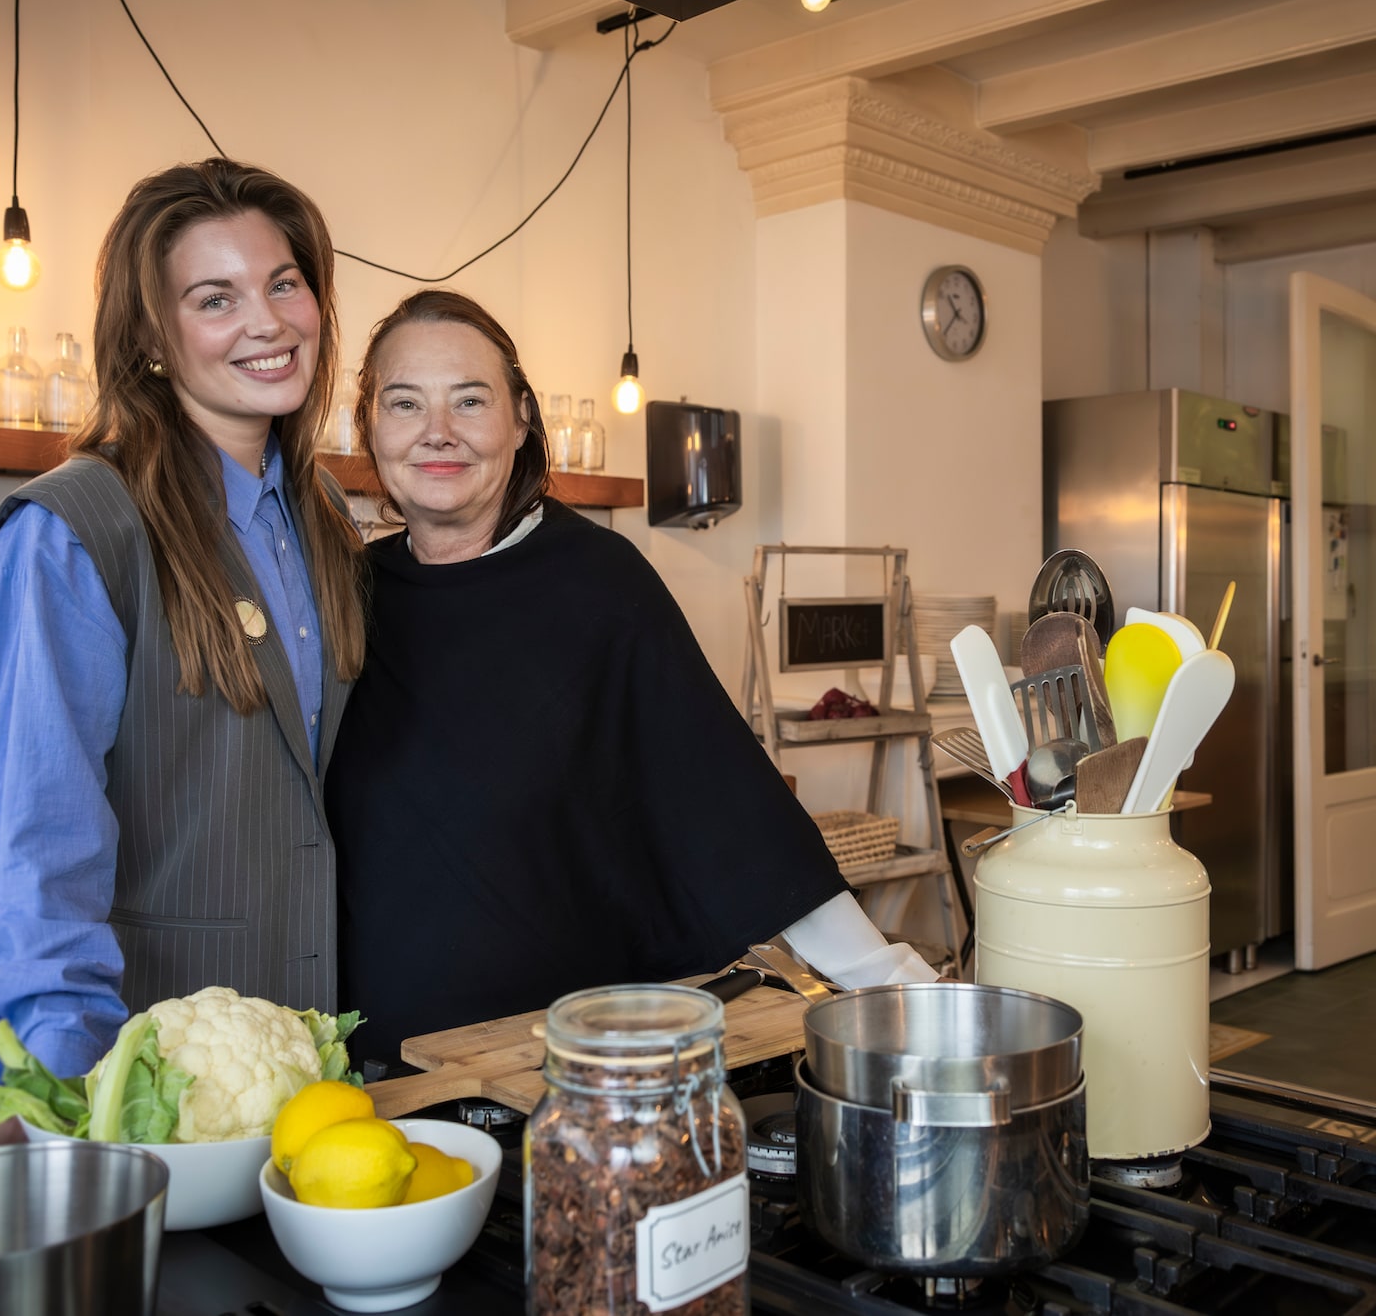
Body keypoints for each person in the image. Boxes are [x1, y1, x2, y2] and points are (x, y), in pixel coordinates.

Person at [326, 289, 932, 1074]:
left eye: (469, 400)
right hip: (376, 1071)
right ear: (371, 426)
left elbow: (725, 803)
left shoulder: (599, 583)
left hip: (562, 1065)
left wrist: (881, 976)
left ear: (521, 419)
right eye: (405, 403)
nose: (437, 431)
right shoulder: (345, 594)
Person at [0, 159, 367, 1136]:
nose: (266, 322)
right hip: (144, 1096)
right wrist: (77, 1101)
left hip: (307, 1087)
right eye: (214, 298)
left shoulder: (325, 519)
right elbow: (30, 863)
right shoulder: (69, 532)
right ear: (151, 342)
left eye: (284, 283)